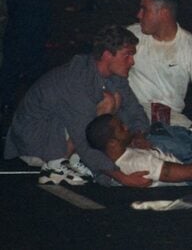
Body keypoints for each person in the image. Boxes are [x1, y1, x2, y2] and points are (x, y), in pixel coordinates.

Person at [3, 26, 151, 187]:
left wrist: (139, 135)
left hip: (63, 132)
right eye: (127, 55)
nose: (132, 61)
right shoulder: (77, 81)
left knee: (114, 99)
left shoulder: (114, 75)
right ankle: (55, 166)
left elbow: (134, 109)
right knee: (107, 101)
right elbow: (84, 138)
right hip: (36, 141)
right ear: (107, 55)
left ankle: (74, 160)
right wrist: (121, 177)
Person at [127, 0, 192, 129]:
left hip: (168, 116)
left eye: (144, 9)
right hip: (133, 110)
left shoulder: (191, 47)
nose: (138, 15)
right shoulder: (132, 35)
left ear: (163, 13)